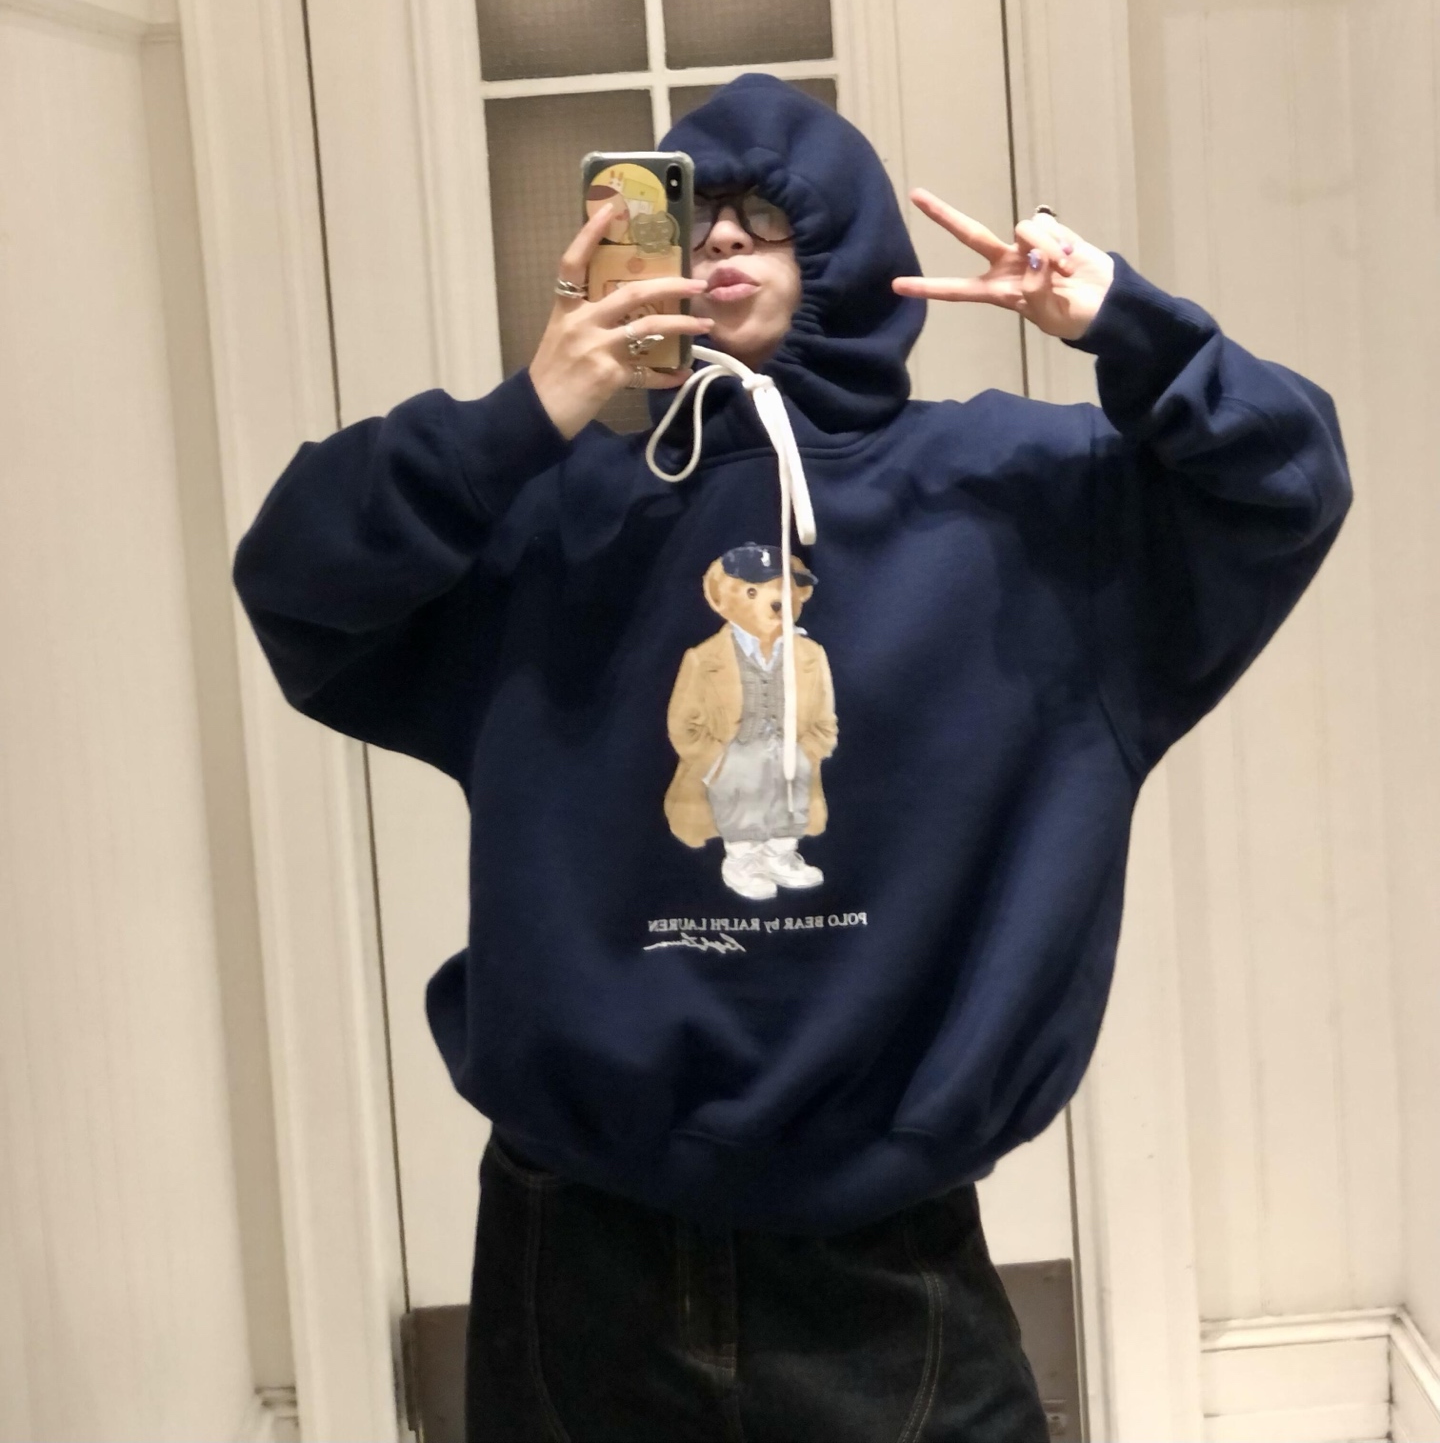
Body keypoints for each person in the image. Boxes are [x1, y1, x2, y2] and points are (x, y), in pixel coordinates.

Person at [233, 73, 1352, 1441]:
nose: (718, 239)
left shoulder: (1019, 503)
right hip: (578, 1247)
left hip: (885, 1263)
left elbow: (1287, 484)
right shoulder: (553, 517)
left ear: (850, 248)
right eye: (691, 213)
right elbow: (295, 579)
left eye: (763, 218)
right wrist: (526, 415)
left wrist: (1130, 325)